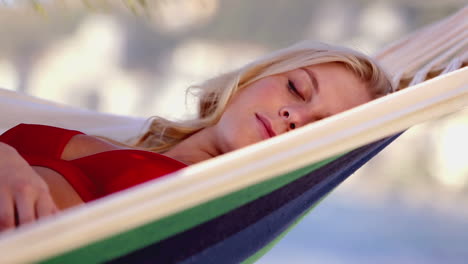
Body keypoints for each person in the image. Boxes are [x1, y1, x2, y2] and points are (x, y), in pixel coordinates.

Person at [0, 41, 394, 232]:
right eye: (295, 87)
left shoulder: (203, 218)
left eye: (318, 127)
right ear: (253, 78)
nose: (294, 115)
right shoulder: (99, 141)